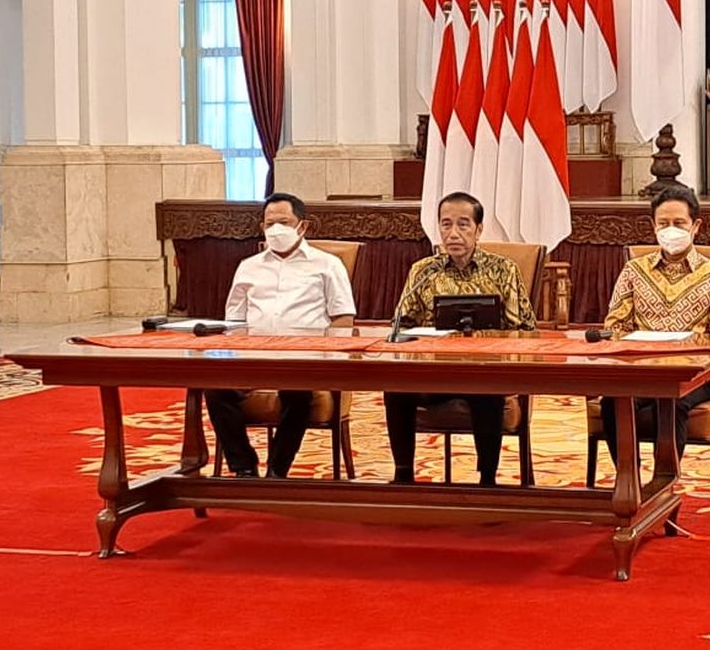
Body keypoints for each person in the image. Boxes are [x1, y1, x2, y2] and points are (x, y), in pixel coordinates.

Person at [384, 191, 536, 486]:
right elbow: (401, 325)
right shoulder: (423, 271)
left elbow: (525, 330)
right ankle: (403, 475)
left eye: (463, 225)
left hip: (484, 371)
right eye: (446, 224)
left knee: (487, 390)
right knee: (396, 387)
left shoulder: (504, 270)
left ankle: (487, 480)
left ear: (479, 230)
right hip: (432, 372)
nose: (453, 233)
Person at [204, 192, 356, 478]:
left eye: (284, 222)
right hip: (253, 359)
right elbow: (234, 320)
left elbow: (343, 318)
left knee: (296, 393)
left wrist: (331, 358)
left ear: (303, 226)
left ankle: (277, 471)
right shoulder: (248, 267)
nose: (276, 230)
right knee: (215, 389)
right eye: (269, 224)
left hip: (305, 360)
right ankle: (244, 468)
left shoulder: (327, 265)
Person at [599, 186, 710, 464]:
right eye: (663, 224)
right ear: (653, 226)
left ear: (695, 226)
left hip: (691, 374)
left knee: (671, 401)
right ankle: (630, 481)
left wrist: (681, 345)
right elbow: (614, 326)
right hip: (640, 369)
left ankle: (664, 486)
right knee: (612, 402)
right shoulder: (634, 271)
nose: (670, 230)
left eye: (679, 223)